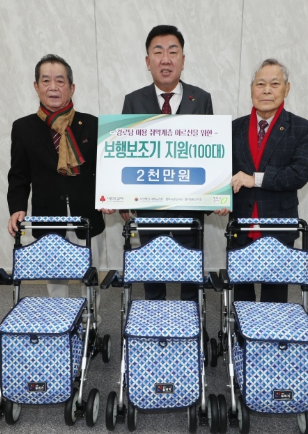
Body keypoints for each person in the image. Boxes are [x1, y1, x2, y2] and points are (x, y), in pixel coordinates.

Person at [121, 25, 214, 302]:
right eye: (158, 52)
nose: (165, 59)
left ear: (183, 60)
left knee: (191, 271)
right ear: (147, 61)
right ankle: (154, 317)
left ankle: (191, 320)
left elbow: (211, 152)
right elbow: (124, 153)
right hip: (149, 204)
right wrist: (122, 198)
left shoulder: (202, 99)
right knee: (152, 271)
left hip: (191, 204)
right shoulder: (133, 101)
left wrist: (216, 196)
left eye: (173, 52)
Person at [7, 54, 112, 299]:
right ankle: (60, 316)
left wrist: (111, 198)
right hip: (48, 214)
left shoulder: (92, 125)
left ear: (71, 88)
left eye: (60, 81)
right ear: (36, 87)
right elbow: (19, 174)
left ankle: (92, 318)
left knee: (90, 275)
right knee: (55, 278)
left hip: (87, 213)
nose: (53, 87)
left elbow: (105, 170)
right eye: (46, 81)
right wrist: (17, 207)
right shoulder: (23, 128)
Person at [216, 58, 308, 303]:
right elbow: (221, 171)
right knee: (241, 294)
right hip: (241, 222)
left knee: (275, 296)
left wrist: (255, 179)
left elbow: (299, 173)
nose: (267, 90)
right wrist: (218, 197)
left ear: (287, 89)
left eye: (274, 84)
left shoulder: (300, 128)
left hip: (278, 224)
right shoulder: (232, 128)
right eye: (260, 84)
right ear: (252, 89)